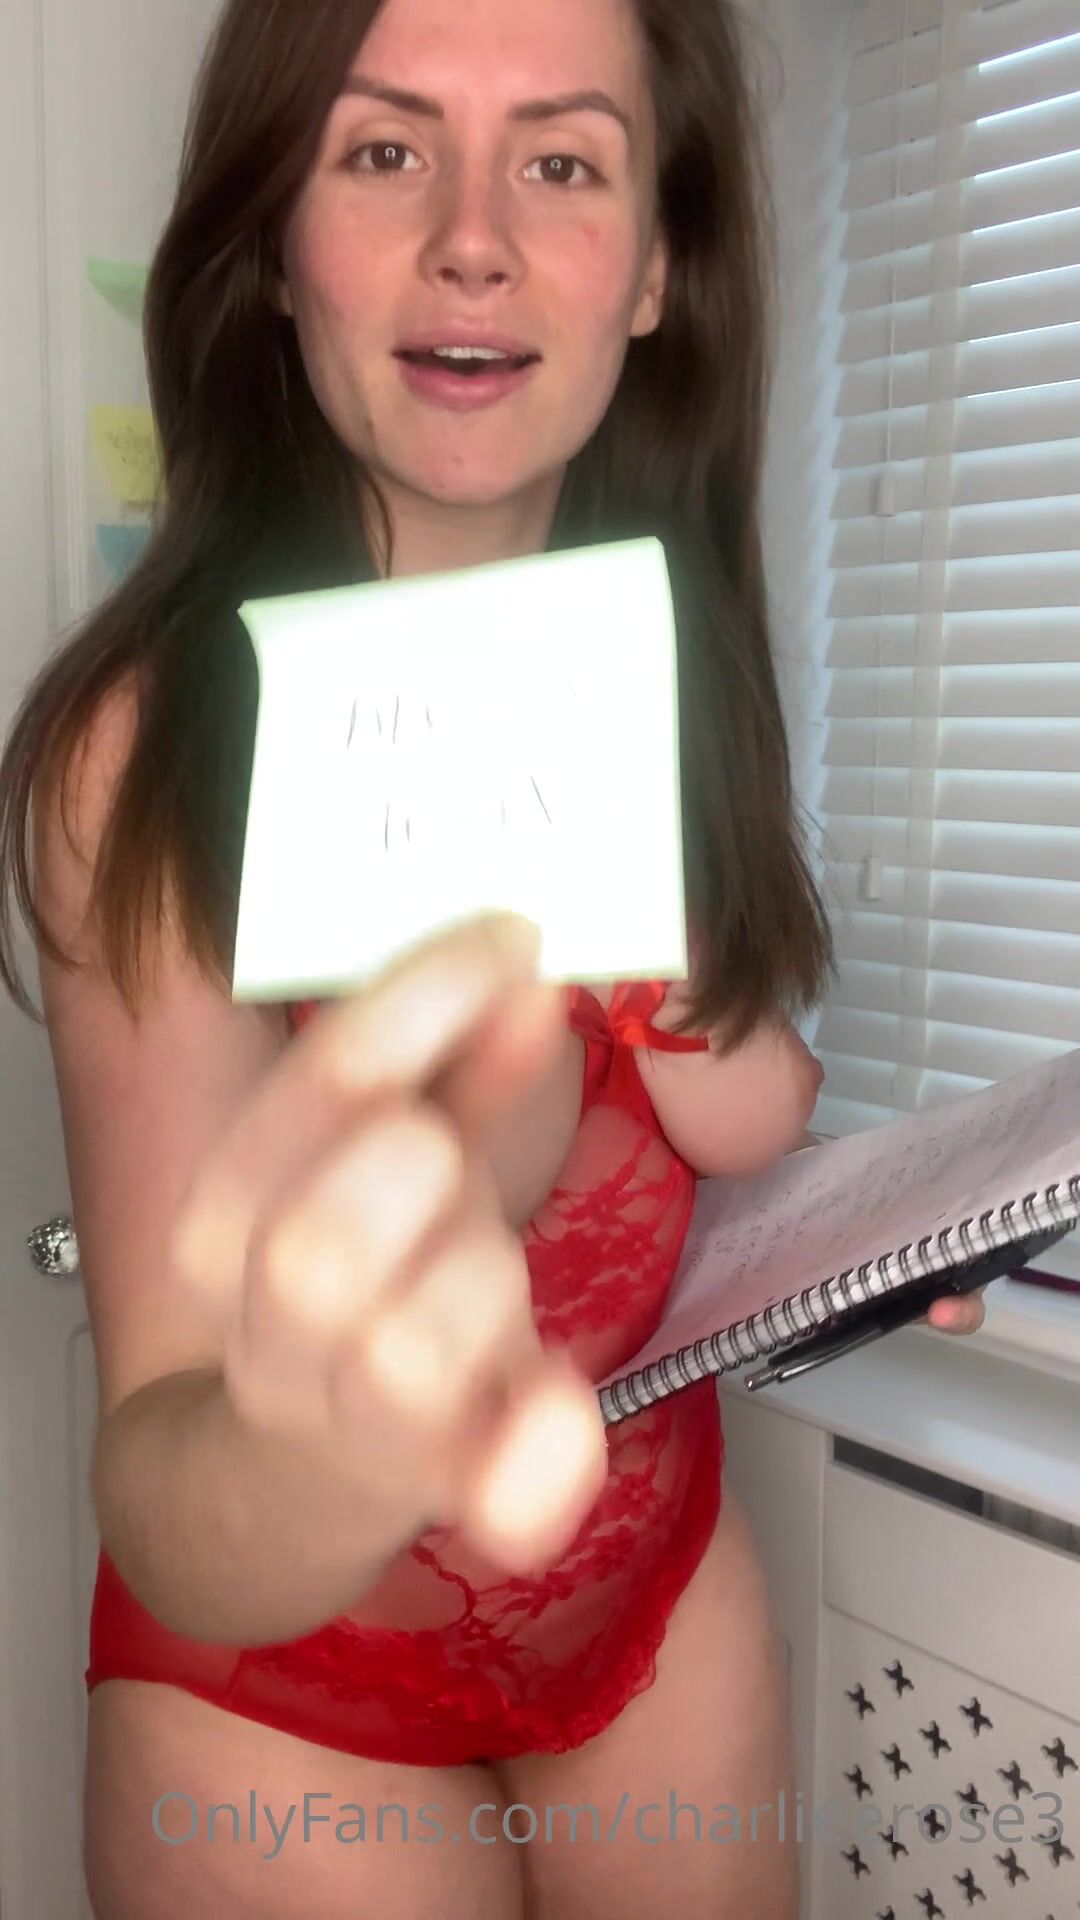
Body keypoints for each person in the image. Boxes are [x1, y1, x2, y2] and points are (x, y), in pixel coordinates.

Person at [0, 0, 985, 1913]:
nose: (474, 236)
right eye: (384, 150)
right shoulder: (145, 755)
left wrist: (860, 1229)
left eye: (561, 161)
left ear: (656, 268)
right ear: (274, 244)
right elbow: (165, 1471)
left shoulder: (673, 679)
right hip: (290, 1699)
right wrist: (325, 1443)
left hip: (651, 1601)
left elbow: (722, 1101)